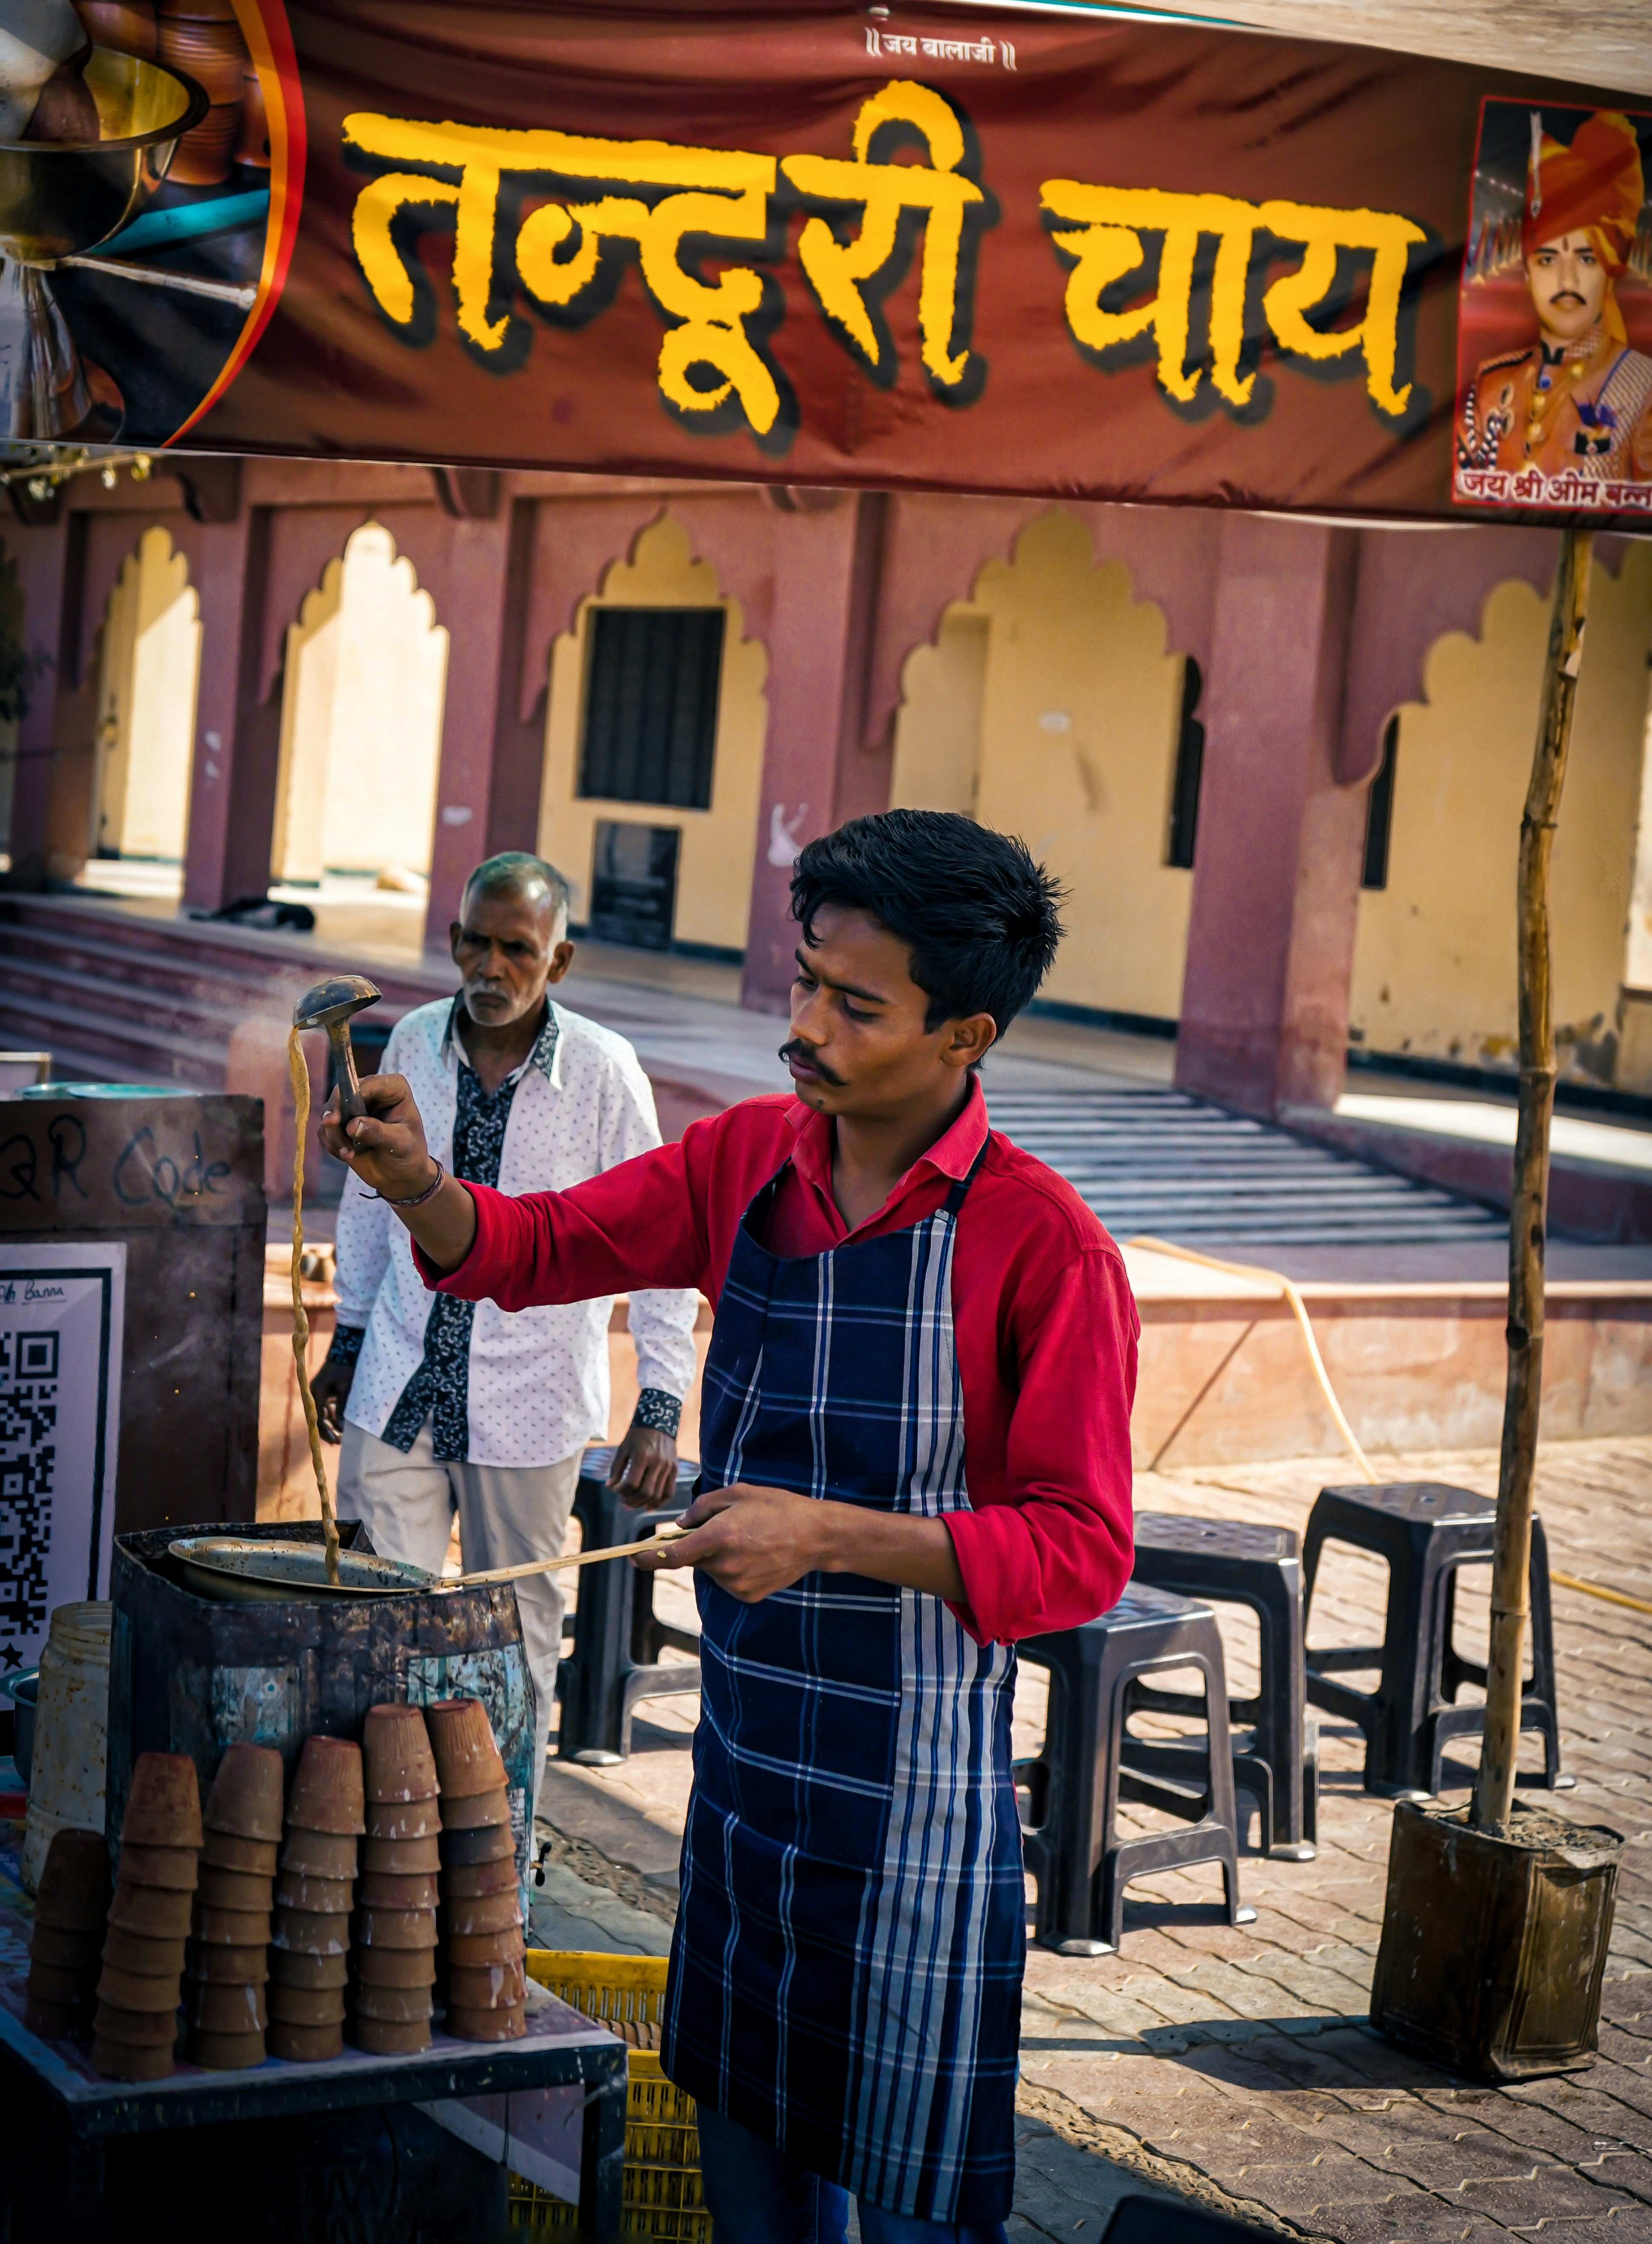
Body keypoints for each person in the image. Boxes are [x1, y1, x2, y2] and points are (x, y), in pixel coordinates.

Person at [319, 810, 1139, 2243]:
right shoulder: (751, 1157)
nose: (804, 1025)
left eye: (854, 1003)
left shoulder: (1040, 1243)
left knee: (909, 2208)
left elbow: (1078, 1553)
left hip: (913, 1819)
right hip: (746, 1776)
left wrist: (826, 1533)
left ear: (967, 1035)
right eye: (805, 980)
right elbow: (534, 1248)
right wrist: (416, 1186)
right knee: (752, 2188)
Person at [309, 849, 699, 1798]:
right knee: (378, 1617)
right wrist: (348, 1339)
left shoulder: (604, 1072)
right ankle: (385, 1831)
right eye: (476, 944)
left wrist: (660, 1396)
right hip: (399, 1375)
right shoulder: (408, 1040)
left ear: (557, 962)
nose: (492, 968)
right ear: (451, 943)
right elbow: (370, 1204)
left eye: (516, 949)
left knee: (512, 1630)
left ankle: (503, 1845)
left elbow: (664, 1236)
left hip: (530, 1397)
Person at [1458, 109, 1652, 494]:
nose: (1566, 281)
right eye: (1547, 260)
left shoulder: (1651, 391)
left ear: (1608, 272)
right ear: (1527, 274)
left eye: (1586, 258)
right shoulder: (1491, 384)